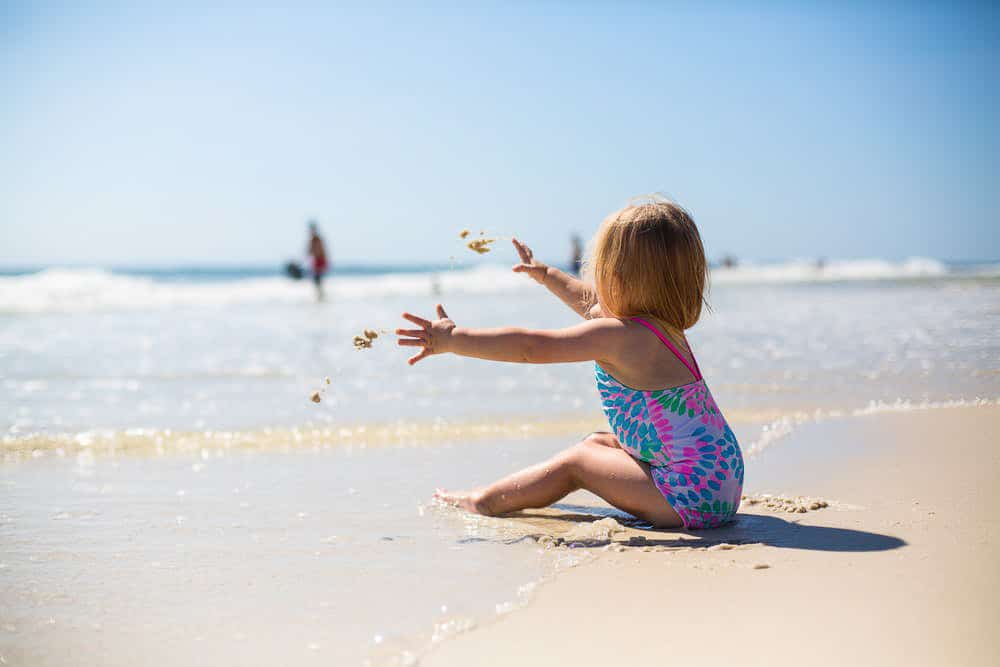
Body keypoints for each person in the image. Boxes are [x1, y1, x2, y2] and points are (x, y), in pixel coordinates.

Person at [395, 197, 744, 529]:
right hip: (718, 478)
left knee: (577, 463)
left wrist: (454, 340)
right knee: (597, 443)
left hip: (690, 497)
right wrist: (546, 275)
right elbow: (590, 302)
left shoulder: (622, 337)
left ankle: (483, 501)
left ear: (617, 277)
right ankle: (500, 495)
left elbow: (531, 347)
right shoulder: (661, 329)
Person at [306, 221, 329, 301]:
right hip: (317, 261)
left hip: (320, 261)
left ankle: (321, 296)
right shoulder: (314, 239)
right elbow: (310, 251)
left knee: (317, 279)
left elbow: (318, 251)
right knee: (317, 279)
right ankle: (320, 295)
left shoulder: (316, 239)